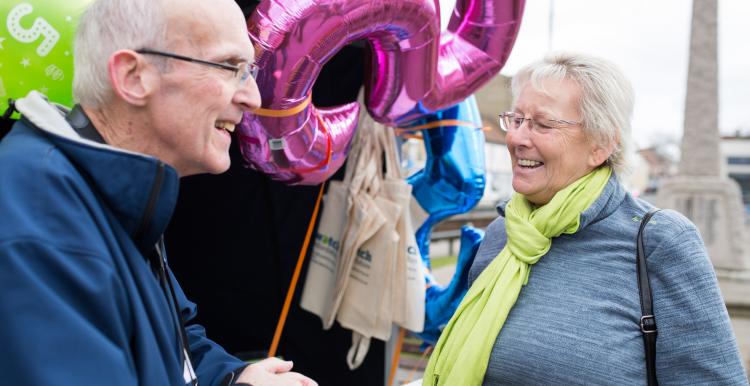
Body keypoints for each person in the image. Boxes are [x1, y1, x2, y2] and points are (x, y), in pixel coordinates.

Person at [0, 0, 317, 385]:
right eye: (231, 68)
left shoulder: (107, 193)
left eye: (248, 71)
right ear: (133, 76)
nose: (253, 97)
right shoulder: (40, 216)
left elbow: (172, 346)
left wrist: (236, 378)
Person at [422, 52, 749, 385]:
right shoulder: (502, 234)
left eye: (543, 124)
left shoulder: (659, 242)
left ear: (601, 144)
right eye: (517, 119)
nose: (518, 138)